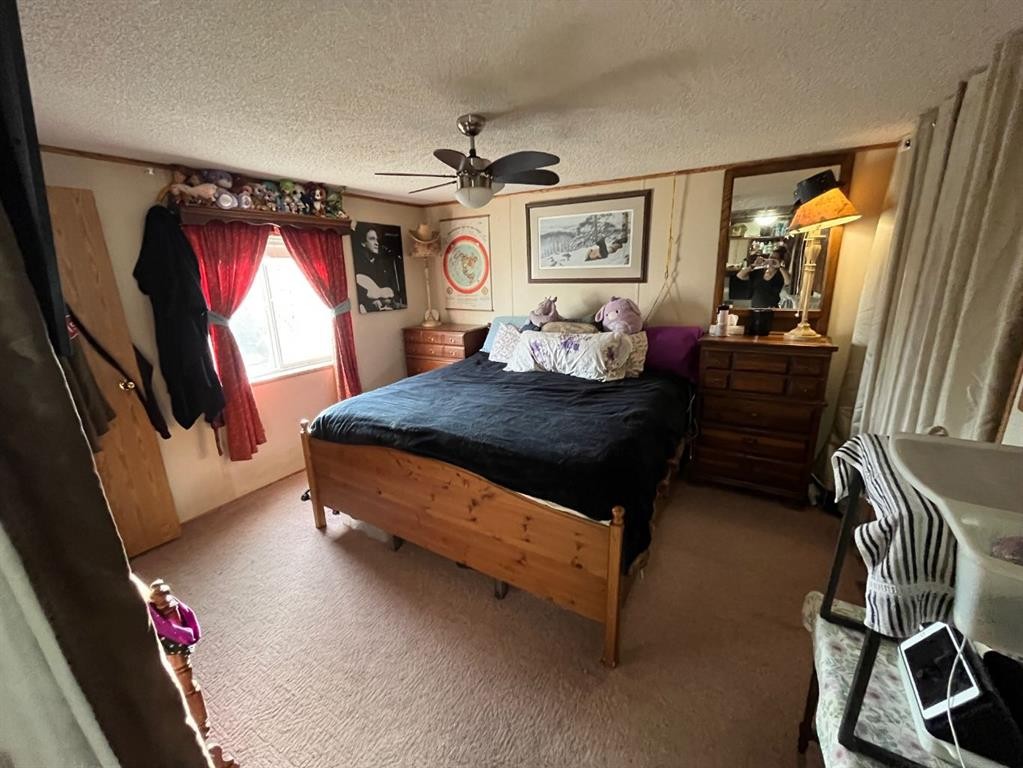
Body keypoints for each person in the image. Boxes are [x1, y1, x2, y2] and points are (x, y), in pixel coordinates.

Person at [355, 227, 398, 312]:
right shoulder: (358, 264)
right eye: (372, 239)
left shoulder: (383, 264)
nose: (377, 243)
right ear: (363, 243)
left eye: (377, 240)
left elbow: (392, 290)